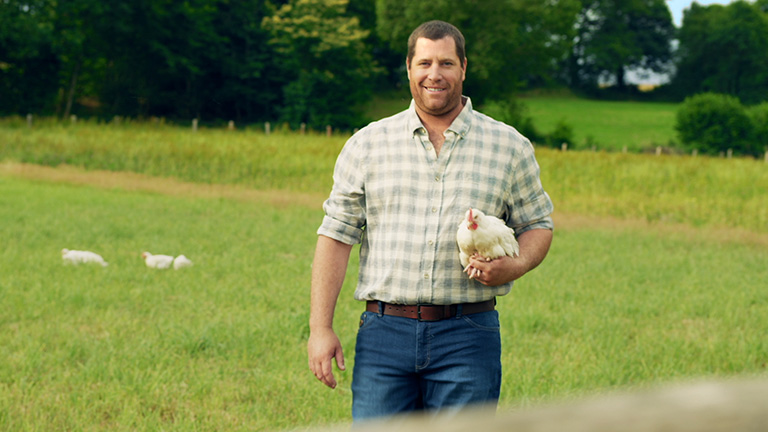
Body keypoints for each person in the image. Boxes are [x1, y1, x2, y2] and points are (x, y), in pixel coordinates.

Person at [307, 20, 554, 422]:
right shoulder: (367, 144)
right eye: (424, 63)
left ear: (463, 68)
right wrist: (321, 328)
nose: (434, 74)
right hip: (383, 333)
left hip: (468, 335)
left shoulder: (509, 146)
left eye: (446, 63)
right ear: (408, 68)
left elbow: (538, 223)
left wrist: (518, 263)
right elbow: (335, 236)